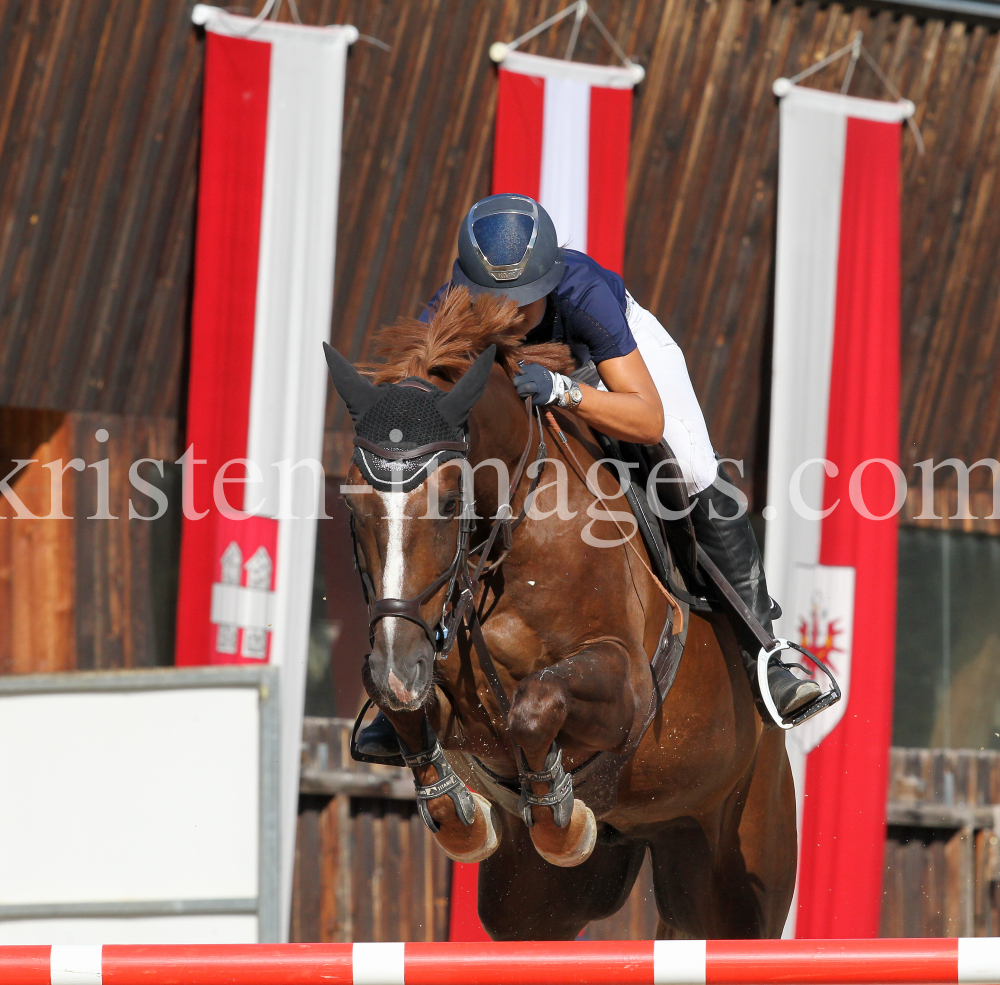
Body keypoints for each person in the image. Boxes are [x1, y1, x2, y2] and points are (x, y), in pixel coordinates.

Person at [356, 194, 820, 761]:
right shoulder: (452, 305)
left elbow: (647, 420)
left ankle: (763, 652)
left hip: (604, 371)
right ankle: (396, 696)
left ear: (548, 280)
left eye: (523, 301)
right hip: (524, 397)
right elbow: (417, 405)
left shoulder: (584, 294)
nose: (509, 313)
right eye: (493, 298)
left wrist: (566, 392)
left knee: (695, 467)